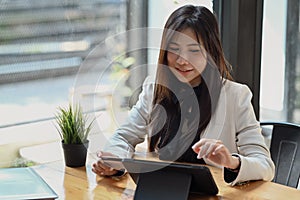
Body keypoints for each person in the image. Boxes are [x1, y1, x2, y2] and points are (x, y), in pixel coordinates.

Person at [92, 5, 275, 186]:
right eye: (174, 49)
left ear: (211, 50)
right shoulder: (155, 89)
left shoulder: (236, 95)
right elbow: (124, 136)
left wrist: (232, 162)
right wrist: (114, 162)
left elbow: (265, 165)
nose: (181, 60)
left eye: (194, 50)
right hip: (164, 190)